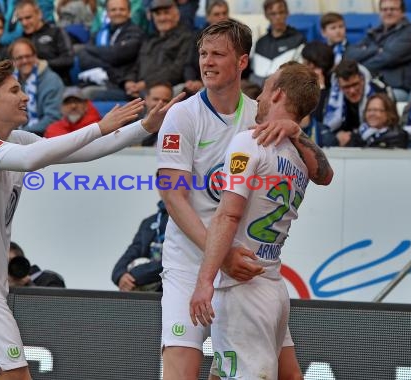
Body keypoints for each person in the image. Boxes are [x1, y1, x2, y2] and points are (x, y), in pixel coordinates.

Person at [0, 59, 183, 380]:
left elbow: (83, 151)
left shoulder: (16, 139)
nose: (24, 96)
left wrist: (145, 127)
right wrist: (99, 125)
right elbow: (30, 159)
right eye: (15, 90)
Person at [156, 19, 333, 380]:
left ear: (241, 62)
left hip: (244, 267)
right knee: (182, 370)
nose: (207, 61)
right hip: (193, 259)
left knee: (286, 374)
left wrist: (298, 134)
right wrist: (220, 257)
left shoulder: (262, 113)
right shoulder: (182, 114)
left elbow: (323, 175)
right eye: (203, 53)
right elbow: (173, 198)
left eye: (218, 54)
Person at [189, 61, 319, 379]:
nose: (258, 96)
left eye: (264, 89)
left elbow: (229, 214)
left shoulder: (250, 142)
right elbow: (326, 174)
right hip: (272, 282)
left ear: (278, 95)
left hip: (241, 288)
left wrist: (204, 281)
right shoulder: (300, 156)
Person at [344, 0, 411, 102]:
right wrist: (376, 50)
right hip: (371, 84)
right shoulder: (375, 32)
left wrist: (358, 66)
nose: (388, 12)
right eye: (384, 9)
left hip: (397, 89)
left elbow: (387, 58)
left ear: (402, 12)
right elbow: (349, 54)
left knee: (370, 100)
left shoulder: (410, 33)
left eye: (393, 9)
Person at [322, 58, 392, 147]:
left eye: (355, 84)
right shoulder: (330, 97)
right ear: (339, 86)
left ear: (362, 79)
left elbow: (390, 123)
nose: (352, 91)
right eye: (346, 87)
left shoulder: (379, 91)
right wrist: (335, 137)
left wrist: (354, 137)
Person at [111, 185, 167, 292]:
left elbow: (177, 262)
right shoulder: (149, 223)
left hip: (176, 294)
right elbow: (133, 251)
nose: (166, 186)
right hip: (145, 299)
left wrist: (138, 275)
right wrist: (120, 275)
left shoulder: (191, 219)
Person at [9, 37, 65, 136]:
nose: (25, 61)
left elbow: (53, 117)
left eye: (28, 56)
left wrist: (22, 134)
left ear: (35, 56)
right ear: (13, 61)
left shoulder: (52, 80)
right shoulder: (11, 82)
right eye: (19, 58)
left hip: (45, 135)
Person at [15, 0, 75, 84]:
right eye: (20, 20)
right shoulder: (20, 40)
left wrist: (43, 63)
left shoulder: (56, 32)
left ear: (39, 14)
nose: (24, 23)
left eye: (28, 17)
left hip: (58, 83)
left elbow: (69, 60)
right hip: (29, 87)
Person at [250, 0, 305, 87]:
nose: (278, 17)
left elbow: (300, 73)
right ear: (266, 15)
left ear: (287, 13)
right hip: (256, 90)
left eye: (281, 12)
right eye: (273, 14)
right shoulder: (260, 42)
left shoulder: (298, 40)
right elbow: (253, 71)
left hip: (284, 88)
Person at [141, 81, 172, 146]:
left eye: (165, 101)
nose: (160, 104)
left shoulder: (176, 126)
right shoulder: (131, 121)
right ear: (146, 99)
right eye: (156, 99)